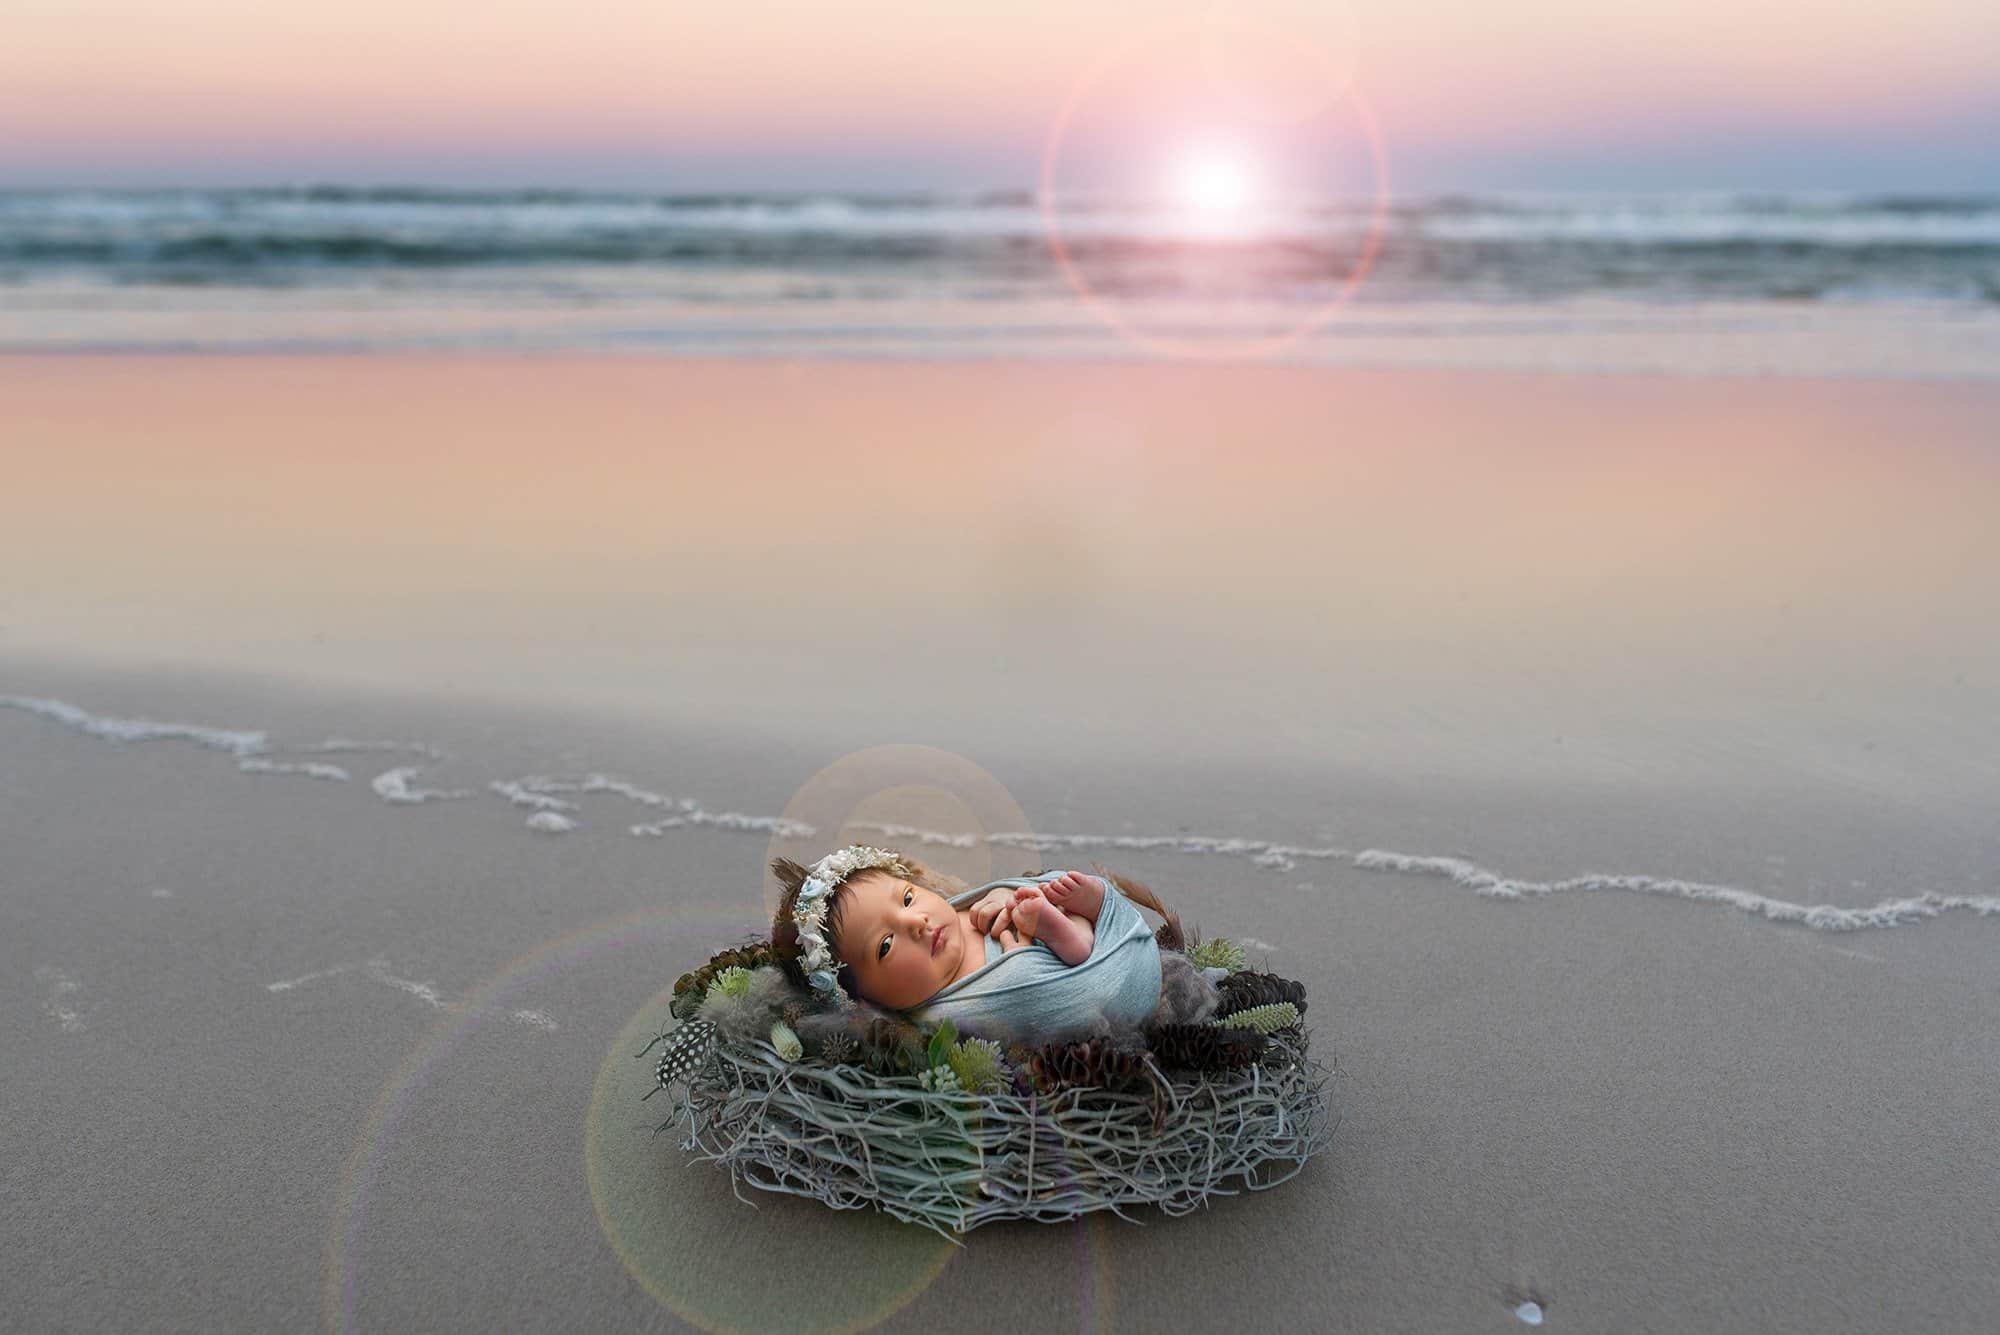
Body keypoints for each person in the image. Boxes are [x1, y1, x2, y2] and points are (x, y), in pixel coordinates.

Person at [770, 844, 1171, 1043]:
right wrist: (1021, 964)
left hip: (1102, 939)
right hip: (1068, 988)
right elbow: (1019, 1010)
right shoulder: (941, 1017)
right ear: (866, 1002)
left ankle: (1087, 913)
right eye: (886, 946)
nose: (917, 923)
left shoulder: (958, 912)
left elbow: (1003, 895)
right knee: (1036, 979)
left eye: (907, 898)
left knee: (1049, 889)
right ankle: (1068, 938)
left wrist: (1005, 899)